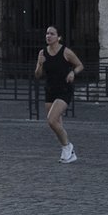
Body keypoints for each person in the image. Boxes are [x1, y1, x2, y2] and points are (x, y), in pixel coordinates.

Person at [34, 22, 84, 161]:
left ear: (59, 37)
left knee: (51, 120)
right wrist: (40, 63)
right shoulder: (42, 53)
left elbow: (80, 65)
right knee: (57, 125)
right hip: (50, 90)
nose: (48, 36)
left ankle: (68, 147)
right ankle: (67, 152)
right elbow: (37, 75)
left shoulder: (66, 52)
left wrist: (73, 73)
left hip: (64, 90)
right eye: (47, 33)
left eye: (52, 34)